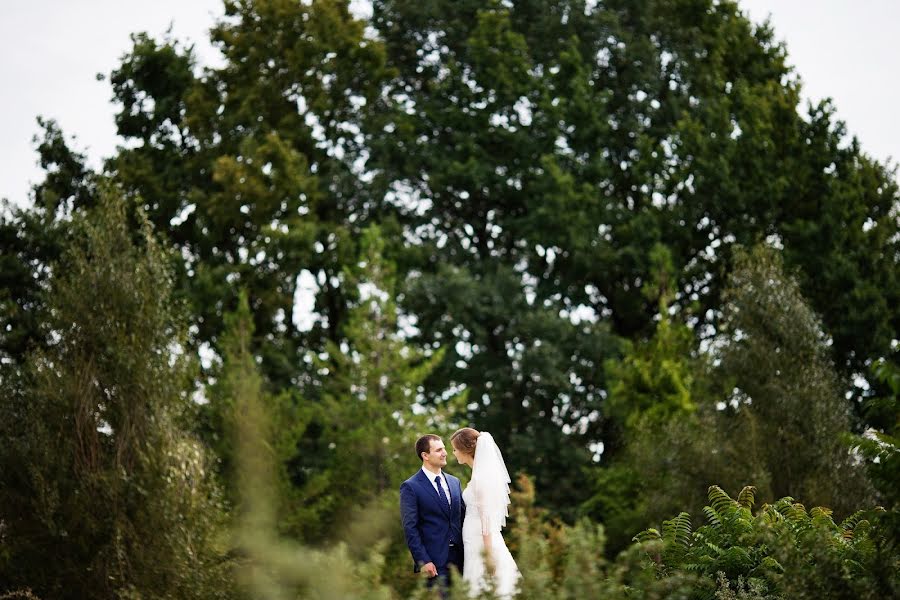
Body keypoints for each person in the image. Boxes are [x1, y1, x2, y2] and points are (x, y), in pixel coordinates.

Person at [450, 427, 520, 598]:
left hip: (480, 541)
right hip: (474, 539)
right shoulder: (479, 475)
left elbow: (486, 518)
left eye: (454, 449)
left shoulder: (481, 479)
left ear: (465, 450)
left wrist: (488, 555)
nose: (453, 453)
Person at [400, 434, 466, 592]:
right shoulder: (410, 487)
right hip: (434, 563)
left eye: (444, 448)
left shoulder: (454, 482)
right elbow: (410, 528)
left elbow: (463, 518)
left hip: (462, 559)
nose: (445, 453)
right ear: (425, 455)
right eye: (438, 450)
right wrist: (423, 560)